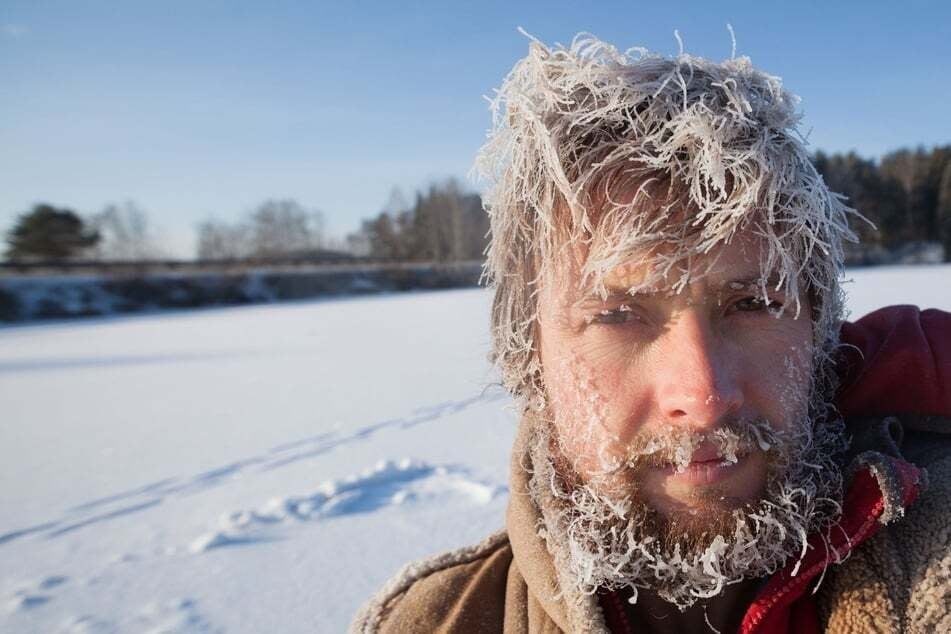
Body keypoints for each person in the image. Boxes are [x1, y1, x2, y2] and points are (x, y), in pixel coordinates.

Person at [351, 33, 951, 634]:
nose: (704, 394)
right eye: (615, 315)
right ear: (529, 360)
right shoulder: (435, 621)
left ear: (819, 334)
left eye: (752, 303)